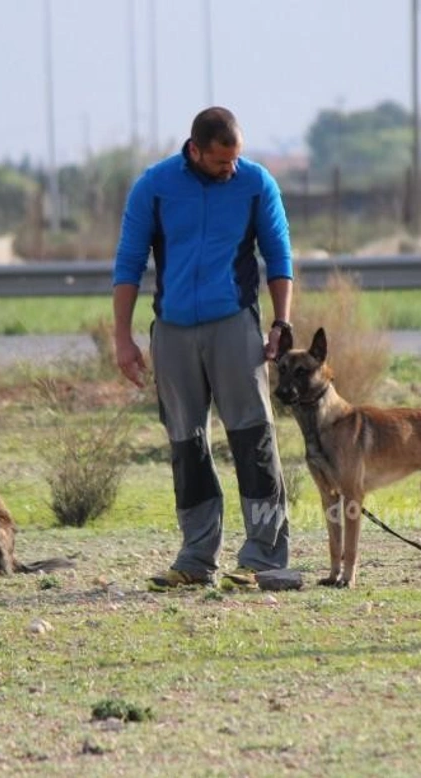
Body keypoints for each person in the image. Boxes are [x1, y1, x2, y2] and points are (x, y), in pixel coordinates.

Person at [112, 106, 294, 591]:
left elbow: (278, 255)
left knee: (252, 438)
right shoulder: (154, 187)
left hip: (235, 326)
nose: (230, 168)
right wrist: (122, 336)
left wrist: (282, 322)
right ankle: (196, 559)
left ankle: (264, 558)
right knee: (186, 445)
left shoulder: (256, 184)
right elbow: (128, 262)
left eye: (235, 158)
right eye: (219, 161)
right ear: (194, 150)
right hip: (172, 331)